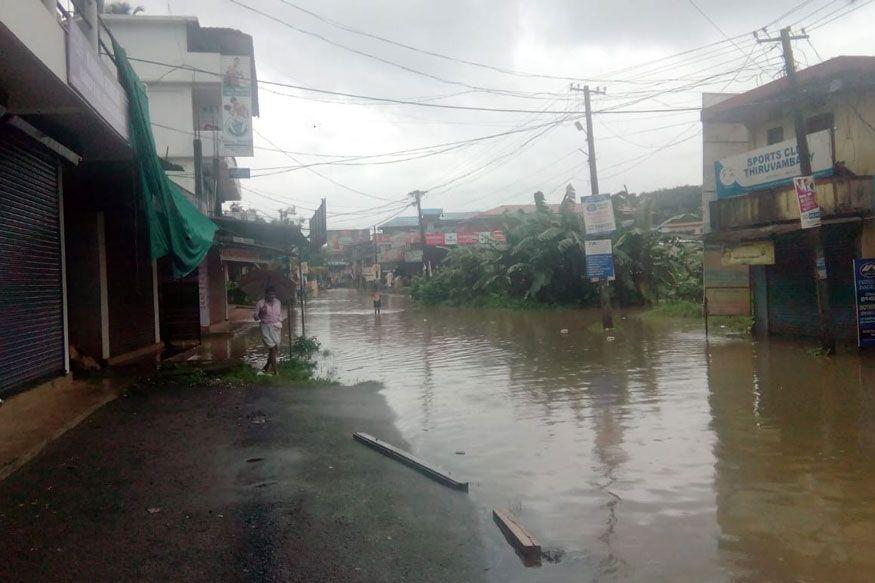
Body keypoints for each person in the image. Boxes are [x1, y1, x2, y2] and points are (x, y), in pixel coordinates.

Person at [254, 286, 282, 374]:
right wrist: (261, 313)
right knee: (272, 349)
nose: (271, 296)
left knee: (275, 349)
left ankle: (266, 367)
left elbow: (279, 315)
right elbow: (255, 317)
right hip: (265, 327)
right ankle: (275, 372)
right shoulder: (260, 303)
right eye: (269, 294)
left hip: (276, 327)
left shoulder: (278, 302)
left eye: (273, 294)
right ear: (266, 294)